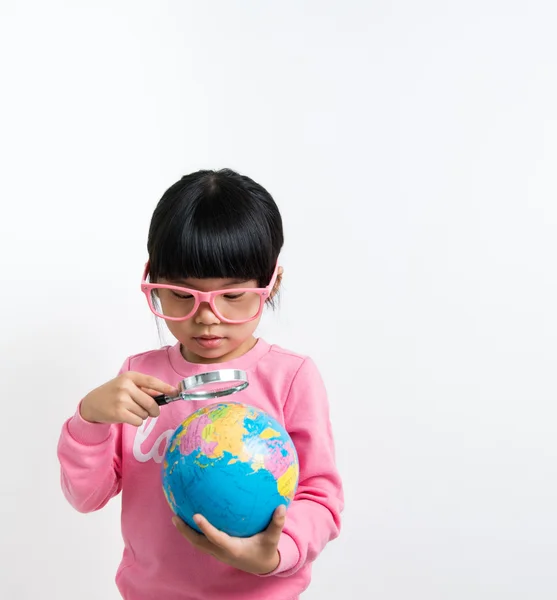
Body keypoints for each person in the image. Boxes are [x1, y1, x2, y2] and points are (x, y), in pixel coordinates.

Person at [56, 168, 344, 600]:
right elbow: (86, 497)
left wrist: (275, 554)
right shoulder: (138, 377)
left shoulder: (291, 378)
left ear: (271, 283)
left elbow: (320, 498)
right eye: (182, 295)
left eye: (232, 296)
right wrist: (89, 419)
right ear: (154, 280)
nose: (207, 317)